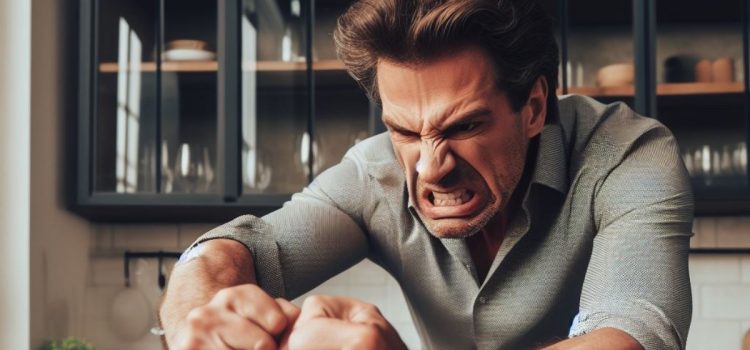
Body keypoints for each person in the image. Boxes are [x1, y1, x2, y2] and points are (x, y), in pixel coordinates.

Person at [159, 0, 694, 349]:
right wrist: (202, 319)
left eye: (464, 126)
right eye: (407, 133)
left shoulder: (629, 153)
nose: (432, 167)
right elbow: (231, 250)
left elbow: (628, 336)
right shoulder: (375, 173)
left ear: (533, 107)